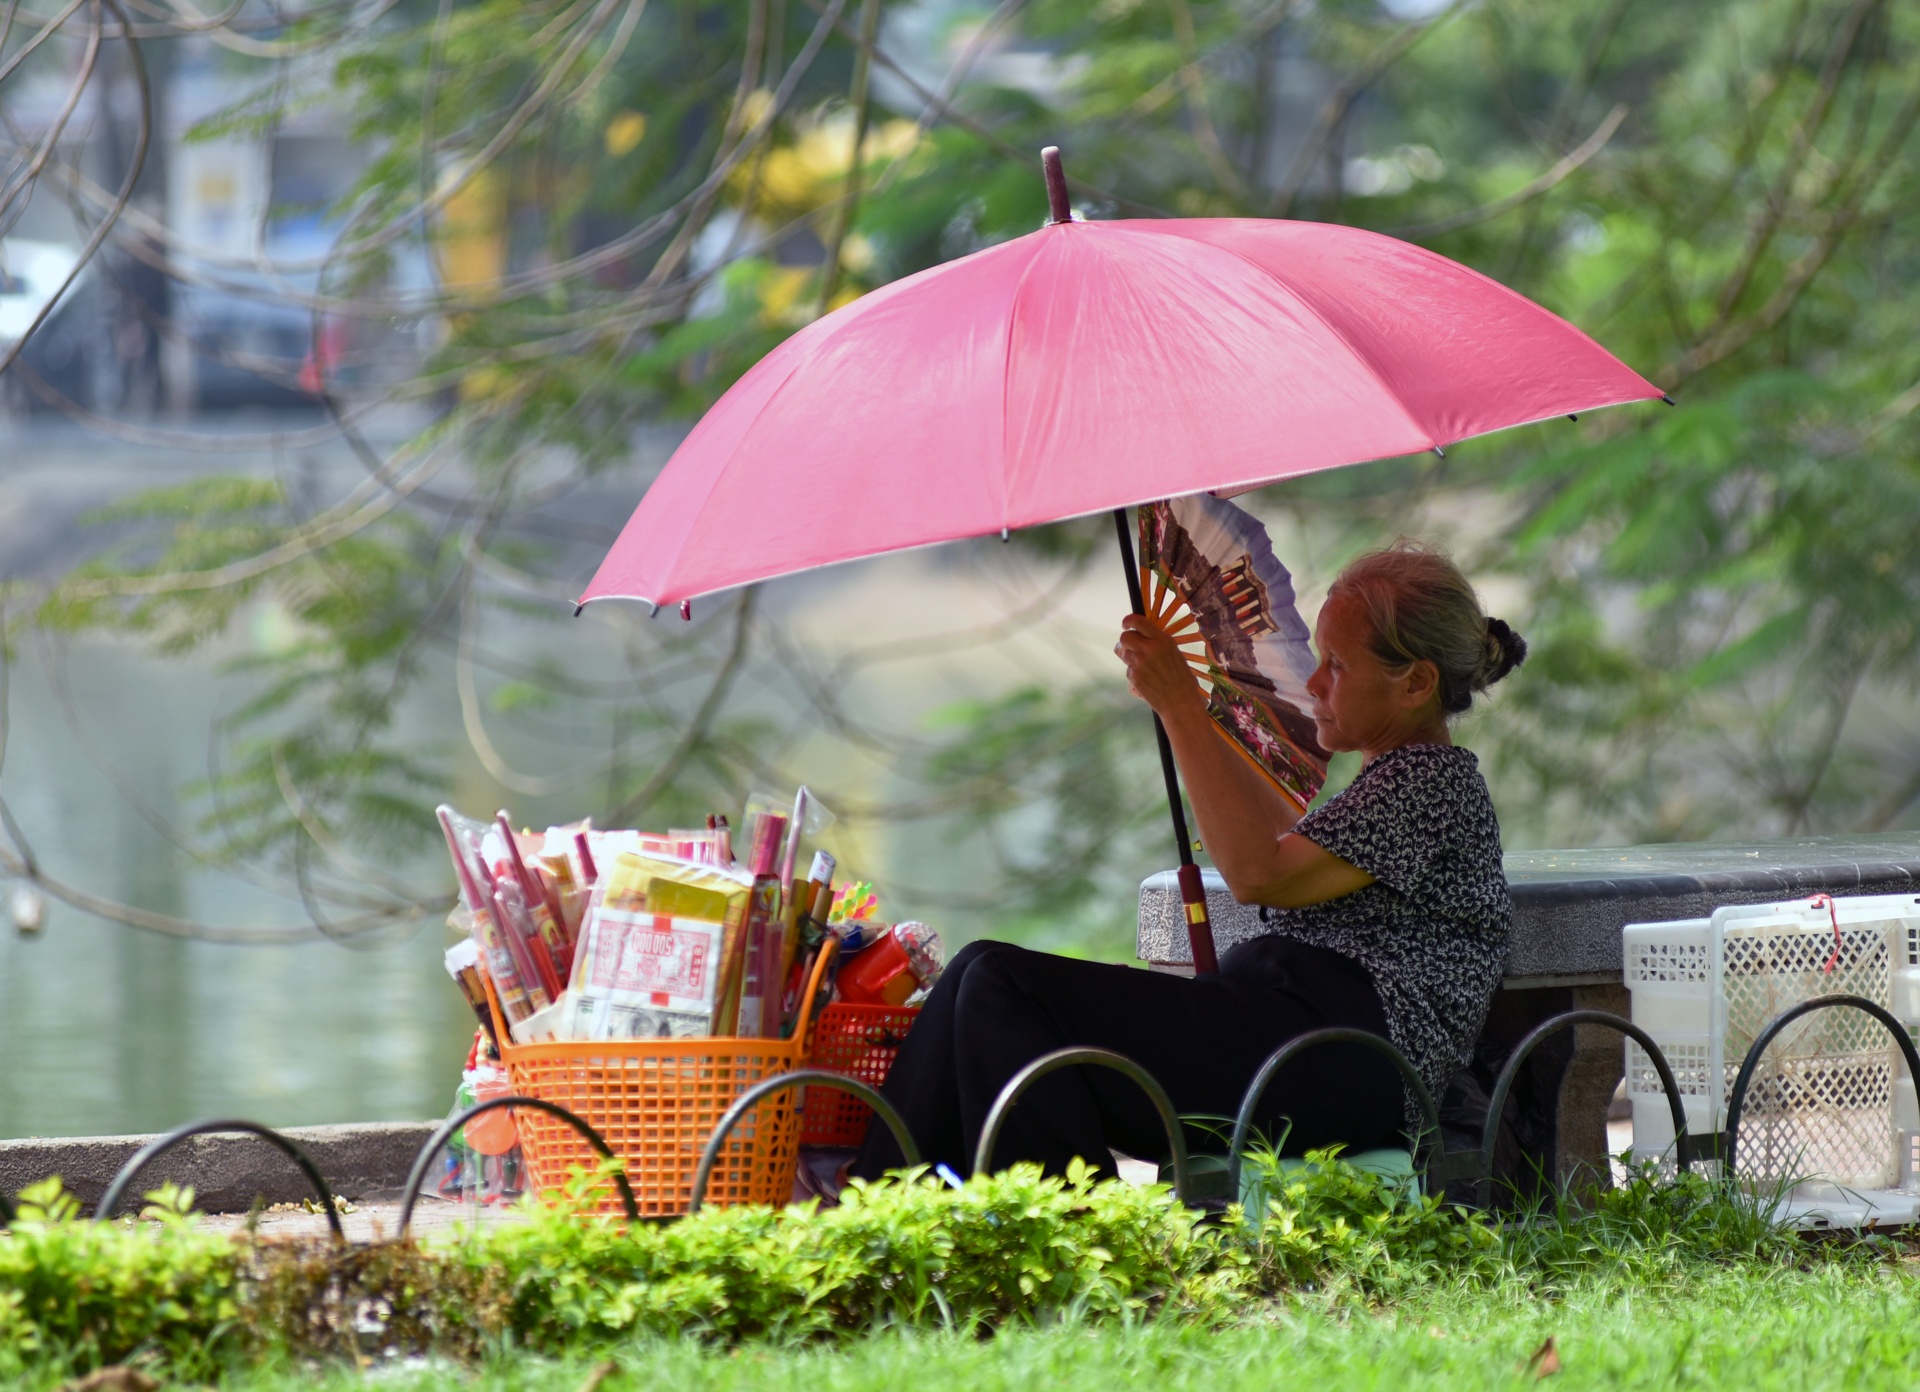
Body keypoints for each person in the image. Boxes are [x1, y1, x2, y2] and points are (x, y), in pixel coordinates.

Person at [853, 540, 1527, 1183]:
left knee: (1005, 985)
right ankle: (887, 1211)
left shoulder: (1433, 784)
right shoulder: (1391, 782)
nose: (1316, 681)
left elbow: (1259, 872)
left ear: (1415, 683)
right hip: (1299, 1040)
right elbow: (1269, 835)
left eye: (1338, 666)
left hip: (1349, 1064)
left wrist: (1178, 704)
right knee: (975, 972)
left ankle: (1059, 1246)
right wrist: (1195, 706)